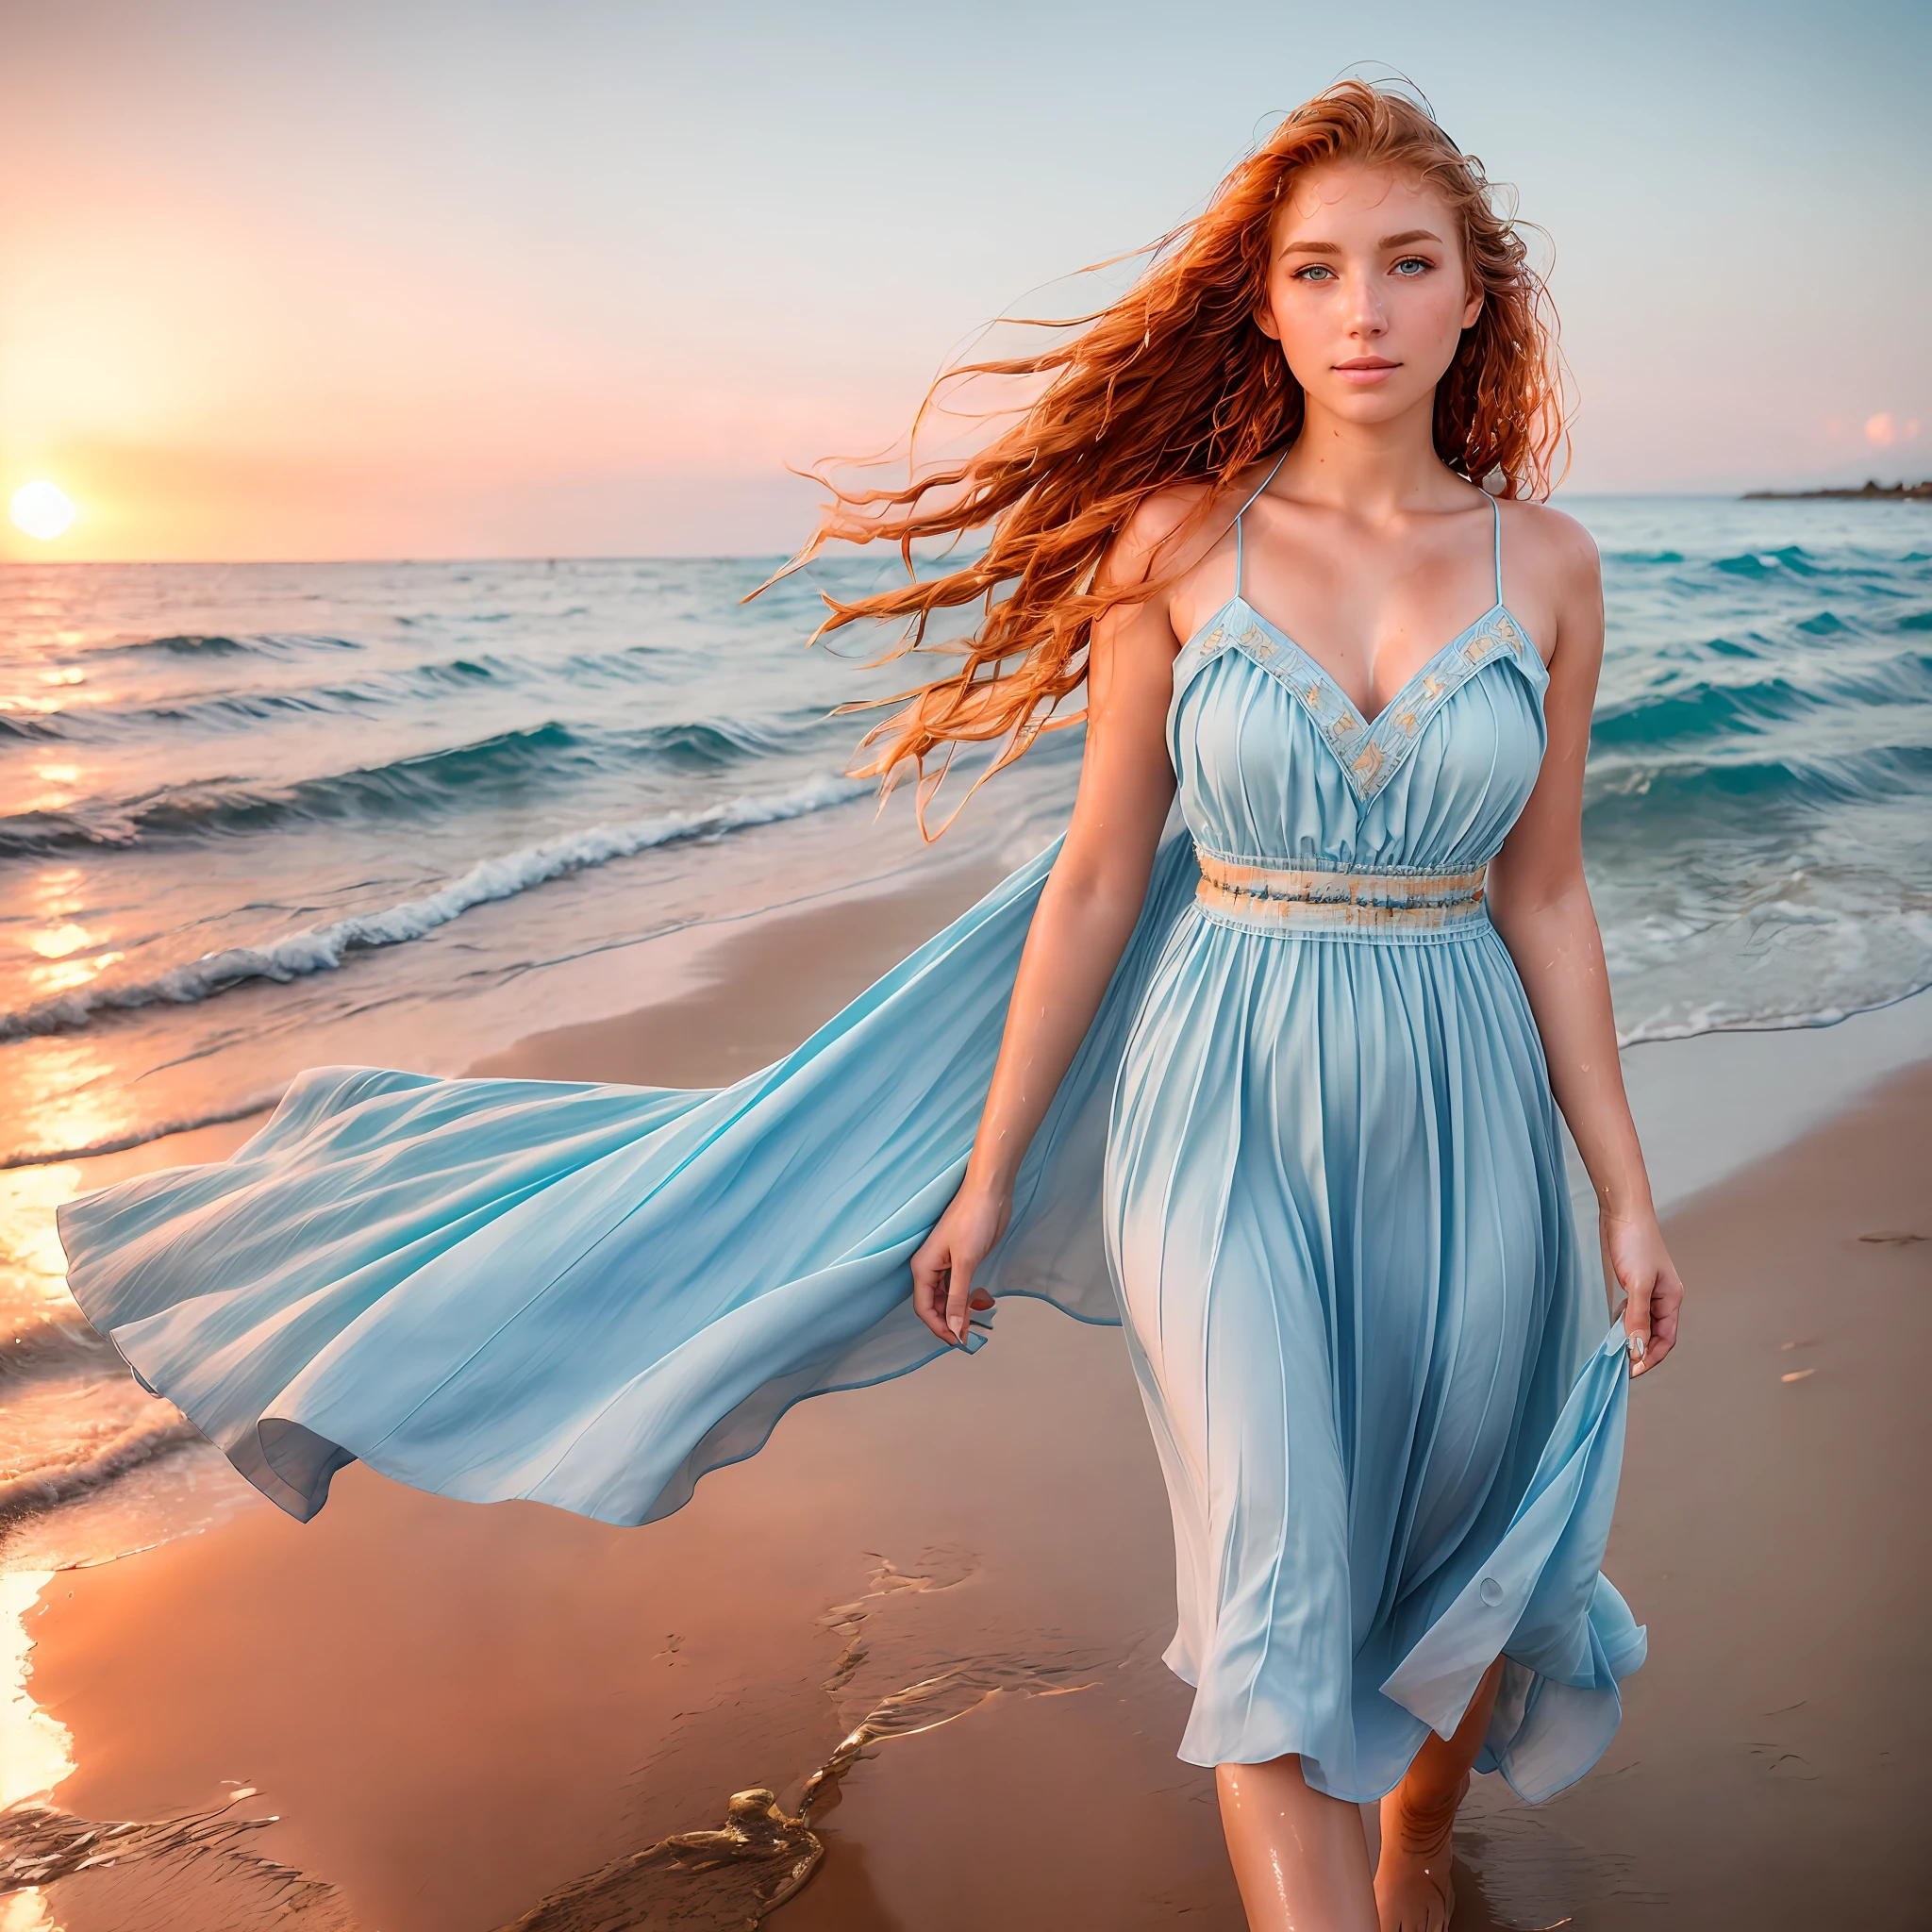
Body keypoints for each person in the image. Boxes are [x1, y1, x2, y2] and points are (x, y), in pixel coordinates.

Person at [61, 81, 1681, 1932]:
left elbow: (1543, 887)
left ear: (1479, 296)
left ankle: (1413, 1858)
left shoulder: (1545, 567)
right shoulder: (1174, 546)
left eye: (1408, 266)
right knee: (1272, 1594)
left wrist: (1623, 1188)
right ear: (1266, 307)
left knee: (1462, 1546)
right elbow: (1089, 882)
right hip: (1215, 1099)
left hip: (1465, 1098)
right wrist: (986, 1178)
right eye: (1317, 271)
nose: (1364, 309)